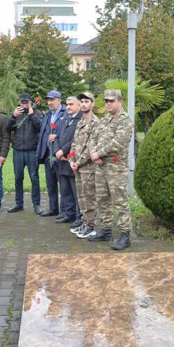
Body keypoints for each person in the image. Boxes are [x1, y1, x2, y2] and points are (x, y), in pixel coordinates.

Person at [88, 89, 134, 250]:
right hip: (100, 165)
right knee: (102, 199)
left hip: (115, 167)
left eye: (111, 101)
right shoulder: (105, 119)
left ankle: (125, 234)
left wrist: (97, 154)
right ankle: (106, 230)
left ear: (120, 102)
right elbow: (93, 137)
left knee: (119, 201)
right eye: (106, 101)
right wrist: (94, 154)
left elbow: (118, 143)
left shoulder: (125, 121)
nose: (108, 103)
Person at [69, 92, 101, 239]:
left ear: (92, 104)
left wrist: (78, 162)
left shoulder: (95, 123)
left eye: (86, 101)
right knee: (81, 196)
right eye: (81, 102)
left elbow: (91, 148)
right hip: (78, 166)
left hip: (88, 167)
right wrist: (71, 160)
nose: (83, 104)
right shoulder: (80, 121)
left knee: (89, 197)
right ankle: (84, 222)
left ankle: (91, 226)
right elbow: (74, 143)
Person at [6, 93, 43, 214]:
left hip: (32, 150)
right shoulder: (16, 113)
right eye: (22, 102)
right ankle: (18, 203)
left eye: (26, 102)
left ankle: (36, 204)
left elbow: (41, 127)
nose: (24, 104)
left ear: (31, 102)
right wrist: (13, 116)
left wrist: (32, 115)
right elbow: (7, 128)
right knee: (18, 178)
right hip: (18, 151)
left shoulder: (36, 113)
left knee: (34, 178)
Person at [52, 96, 83, 225]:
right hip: (62, 160)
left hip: (72, 160)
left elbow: (75, 141)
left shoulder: (80, 119)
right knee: (65, 190)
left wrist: (63, 151)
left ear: (79, 105)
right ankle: (67, 213)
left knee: (76, 191)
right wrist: (57, 151)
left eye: (71, 104)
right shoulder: (65, 118)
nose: (68, 107)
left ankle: (79, 216)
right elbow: (57, 136)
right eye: (67, 104)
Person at [36, 90, 66, 217]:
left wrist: (57, 136)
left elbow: (69, 132)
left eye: (52, 100)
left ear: (59, 100)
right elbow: (43, 133)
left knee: (63, 184)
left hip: (60, 154)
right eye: (48, 100)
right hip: (48, 154)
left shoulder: (66, 113)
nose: (49, 102)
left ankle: (65, 211)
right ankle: (53, 208)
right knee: (50, 183)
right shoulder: (48, 114)